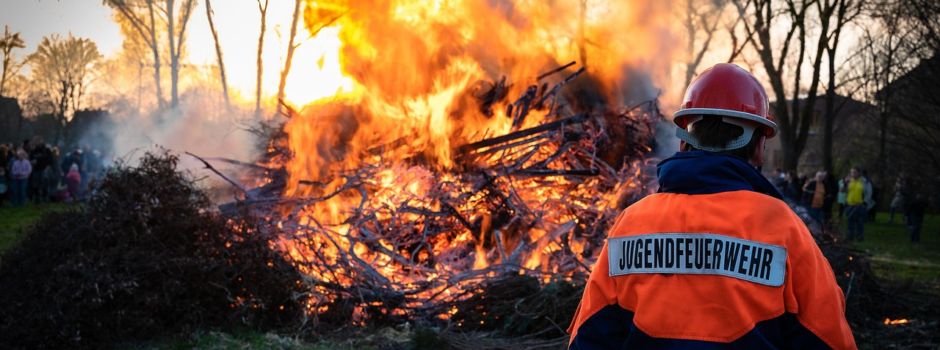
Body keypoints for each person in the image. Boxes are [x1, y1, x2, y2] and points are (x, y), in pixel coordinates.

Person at [567, 64, 855, 349]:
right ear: (758, 149)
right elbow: (829, 338)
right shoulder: (784, 228)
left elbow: (588, 336)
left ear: (684, 143)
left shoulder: (632, 223)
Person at [844, 167, 869, 241]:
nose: (852, 174)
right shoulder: (849, 181)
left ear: (858, 173)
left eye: (854, 172)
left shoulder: (863, 181)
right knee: (850, 222)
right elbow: (842, 191)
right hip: (849, 204)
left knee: (859, 222)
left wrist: (865, 202)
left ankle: (860, 237)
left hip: (859, 205)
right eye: (851, 172)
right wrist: (845, 183)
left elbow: (867, 193)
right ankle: (850, 236)